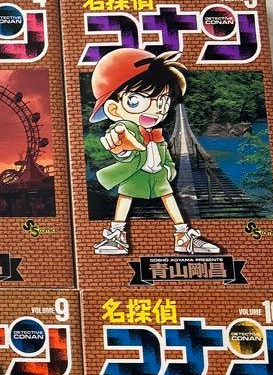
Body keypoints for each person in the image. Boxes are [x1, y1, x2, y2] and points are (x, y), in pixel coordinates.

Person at [88, 47, 220, 256]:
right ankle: (117, 236)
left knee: (168, 199)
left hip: (157, 175)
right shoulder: (127, 127)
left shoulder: (157, 135)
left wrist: (167, 170)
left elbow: (166, 157)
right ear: (114, 109)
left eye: (163, 101)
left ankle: (183, 236)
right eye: (137, 100)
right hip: (136, 174)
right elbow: (122, 141)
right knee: (126, 197)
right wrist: (122, 148)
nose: (157, 109)